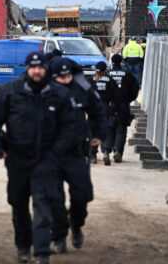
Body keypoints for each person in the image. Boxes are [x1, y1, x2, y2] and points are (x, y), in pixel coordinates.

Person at [0, 52, 74, 264]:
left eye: (41, 67)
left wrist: (56, 152)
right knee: (18, 204)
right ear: (27, 68)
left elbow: (69, 127)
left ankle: (42, 253)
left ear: (46, 69)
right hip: (17, 158)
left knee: (43, 205)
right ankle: (23, 246)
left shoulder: (58, 94)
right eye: (33, 67)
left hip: (46, 159)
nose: (37, 71)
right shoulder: (9, 92)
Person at [48, 58, 107, 254]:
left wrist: (99, 134)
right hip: (52, 154)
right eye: (60, 78)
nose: (65, 80)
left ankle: (76, 224)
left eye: (68, 76)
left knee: (82, 195)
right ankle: (58, 236)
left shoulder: (82, 88)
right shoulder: (44, 91)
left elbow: (98, 111)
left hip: (76, 152)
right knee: (54, 199)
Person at [107, 55, 140, 163]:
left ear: (112, 62)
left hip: (109, 105)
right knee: (121, 129)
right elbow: (135, 90)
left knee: (110, 129)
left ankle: (108, 149)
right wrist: (128, 100)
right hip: (123, 105)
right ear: (121, 62)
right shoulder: (128, 75)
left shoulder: (106, 74)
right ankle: (118, 151)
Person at [89, 62, 117, 165]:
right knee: (107, 131)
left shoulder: (92, 79)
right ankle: (106, 152)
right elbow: (115, 96)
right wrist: (114, 109)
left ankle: (93, 156)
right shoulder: (110, 79)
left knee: (93, 132)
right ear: (105, 69)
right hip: (106, 108)